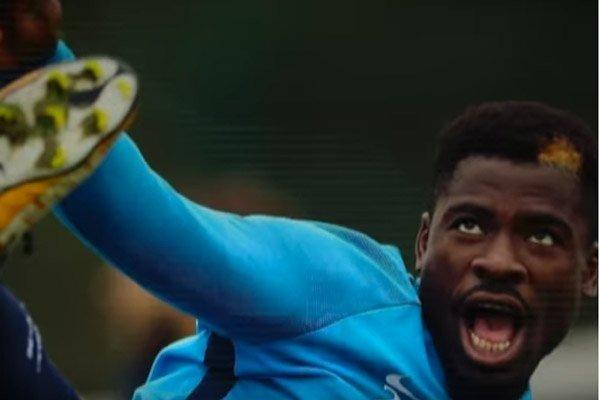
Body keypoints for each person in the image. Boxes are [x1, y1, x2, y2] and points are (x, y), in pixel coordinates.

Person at [0, 1, 597, 399]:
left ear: (590, 270)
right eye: (468, 226)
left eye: (541, 235)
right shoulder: (339, 290)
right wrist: (35, 58)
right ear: (424, 243)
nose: (497, 260)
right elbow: (157, 230)